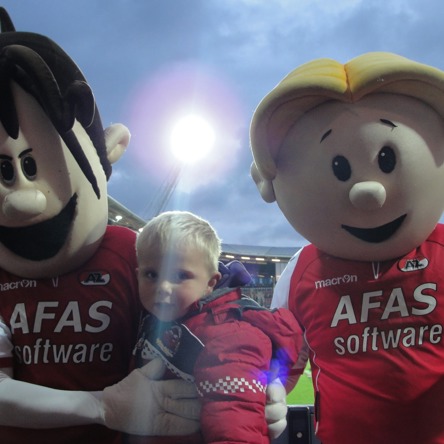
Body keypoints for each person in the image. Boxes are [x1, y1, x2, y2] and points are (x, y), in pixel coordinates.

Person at [0, 8, 201, 443]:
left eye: (32, 166)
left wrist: (251, 390)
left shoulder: (129, 252)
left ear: (106, 150)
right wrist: (101, 406)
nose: (24, 198)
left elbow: (192, 337)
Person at [250, 52, 444, 443]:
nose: (368, 193)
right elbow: (284, 356)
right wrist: (270, 390)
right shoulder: (302, 271)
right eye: (340, 169)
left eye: (386, 158)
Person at [130, 211, 302, 444]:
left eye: (180, 275)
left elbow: (234, 427)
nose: (163, 287)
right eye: (152, 274)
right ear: (137, 275)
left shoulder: (229, 338)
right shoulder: (157, 319)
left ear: (210, 283)